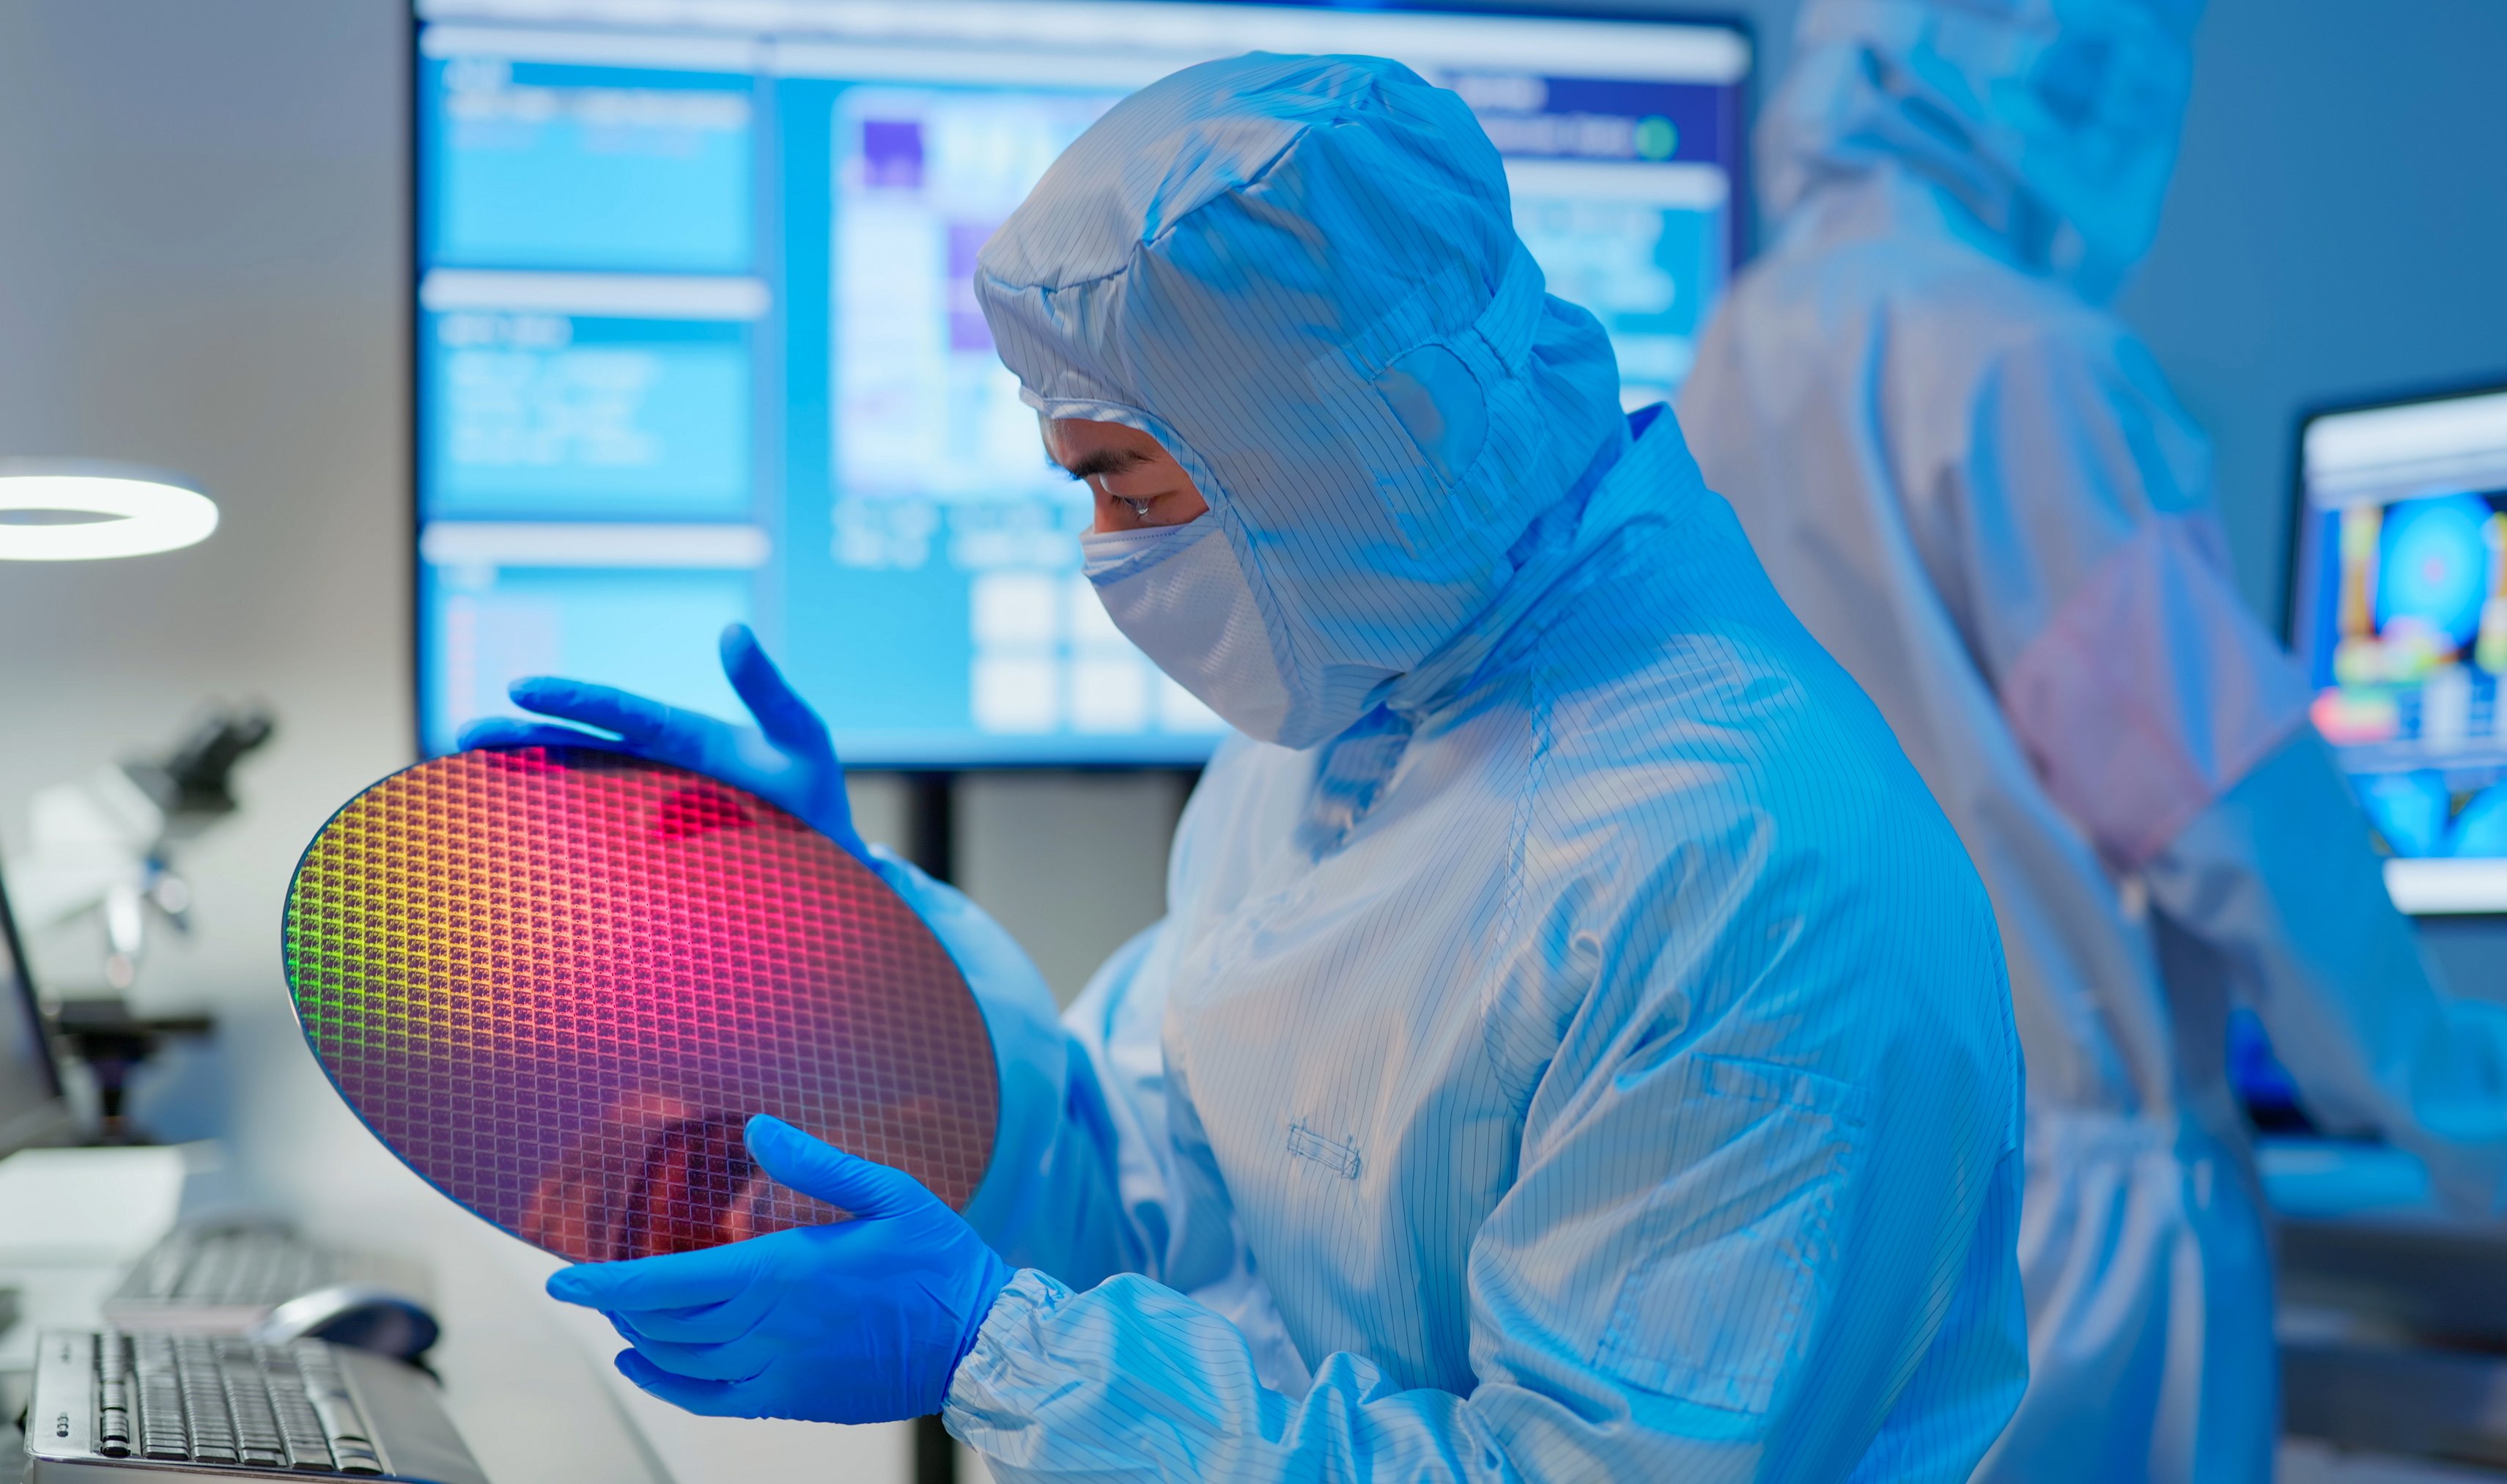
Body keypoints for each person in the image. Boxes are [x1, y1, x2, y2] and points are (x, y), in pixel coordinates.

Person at [468, 53, 2029, 1483]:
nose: (1105, 554)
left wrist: (994, 1350)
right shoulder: (1353, 717)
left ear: (1332, 445)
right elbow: (1147, 1196)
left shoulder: (1744, 868)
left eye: (1126, 484)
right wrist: (864, 939)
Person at [1671, 4, 2507, 1482]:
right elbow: (2238, 818)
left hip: (1817, 1214)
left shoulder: (1734, 359)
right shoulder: (2017, 361)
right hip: (2067, 1240)